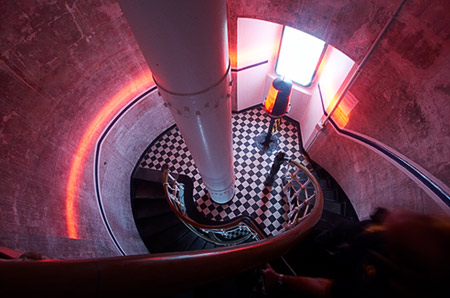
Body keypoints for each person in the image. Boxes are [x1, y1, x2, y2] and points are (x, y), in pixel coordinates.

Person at [262, 208, 450, 298]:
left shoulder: (379, 289)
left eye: (389, 234)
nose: (382, 228)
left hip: (336, 266)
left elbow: (327, 288)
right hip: (329, 245)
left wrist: (279, 279)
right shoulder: (388, 233)